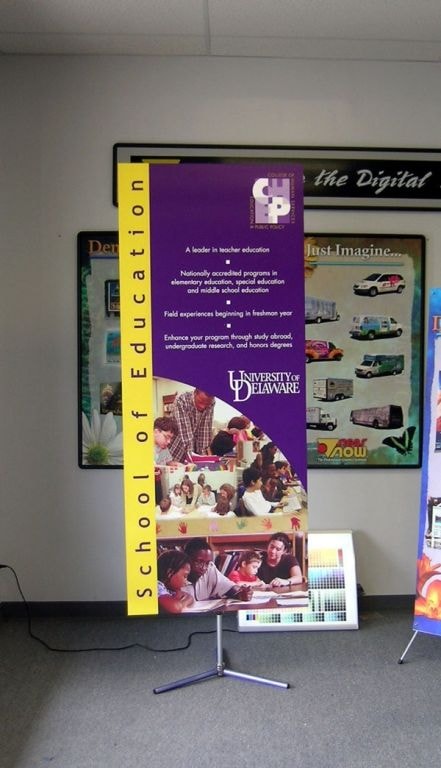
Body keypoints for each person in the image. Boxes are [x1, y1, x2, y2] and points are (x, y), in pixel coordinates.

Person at [181, 538, 253, 602]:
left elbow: (229, 587)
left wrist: (241, 593)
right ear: (186, 559)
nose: (203, 568)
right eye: (198, 562)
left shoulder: (209, 569)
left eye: (207, 563)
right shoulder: (176, 575)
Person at [169, 389, 215, 462]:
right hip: (176, 449)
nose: (203, 406)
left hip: (194, 451)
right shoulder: (181, 400)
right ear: (195, 393)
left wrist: (204, 459)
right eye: (201, 402)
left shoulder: (211, 402)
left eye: (207, 404)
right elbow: (186, 435)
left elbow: (205, 431)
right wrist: (192, 459)